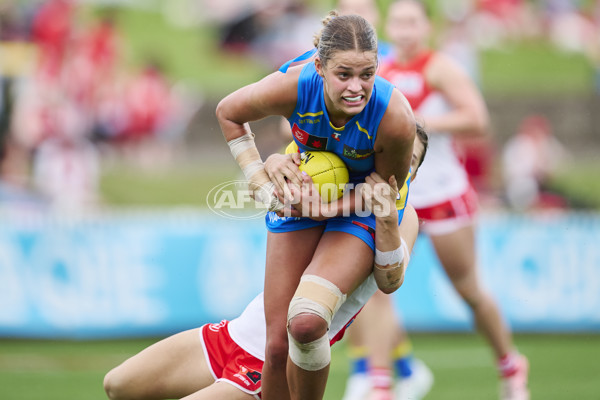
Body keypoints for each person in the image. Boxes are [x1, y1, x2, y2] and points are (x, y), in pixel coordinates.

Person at [102, 130, 429, 400]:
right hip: (235, 334)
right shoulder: (336, 182)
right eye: (396, 152)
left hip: (270, 362)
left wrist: (385, 215)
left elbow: (391, 280)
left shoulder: (405, 215)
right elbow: (259, 191)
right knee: (118, 385)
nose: (400, 165)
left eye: (411, 161)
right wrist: (275, 164)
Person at [215, 10, 415, 400]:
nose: (357, 87)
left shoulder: (396, 120)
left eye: (367, 74)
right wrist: (261, 178)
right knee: (273, 347)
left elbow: (381, 196)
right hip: (308, 194)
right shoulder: (294, 85)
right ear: (320, 67)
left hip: (366, 205)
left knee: (305, 324)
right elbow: (228, 113)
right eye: (344, 75)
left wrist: (322, 209)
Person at [343, 1, 530, 400]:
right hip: (396, 196)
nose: (405, 29)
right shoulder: (379, 70)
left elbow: (477, 120)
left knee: (468, 290)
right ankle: (381, 383)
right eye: (397, 21)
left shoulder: (439, 67)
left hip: (443, 195)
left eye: (412, 21)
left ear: (427, 25)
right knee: (373, 289)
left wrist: (418, 124)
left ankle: (510, 365)